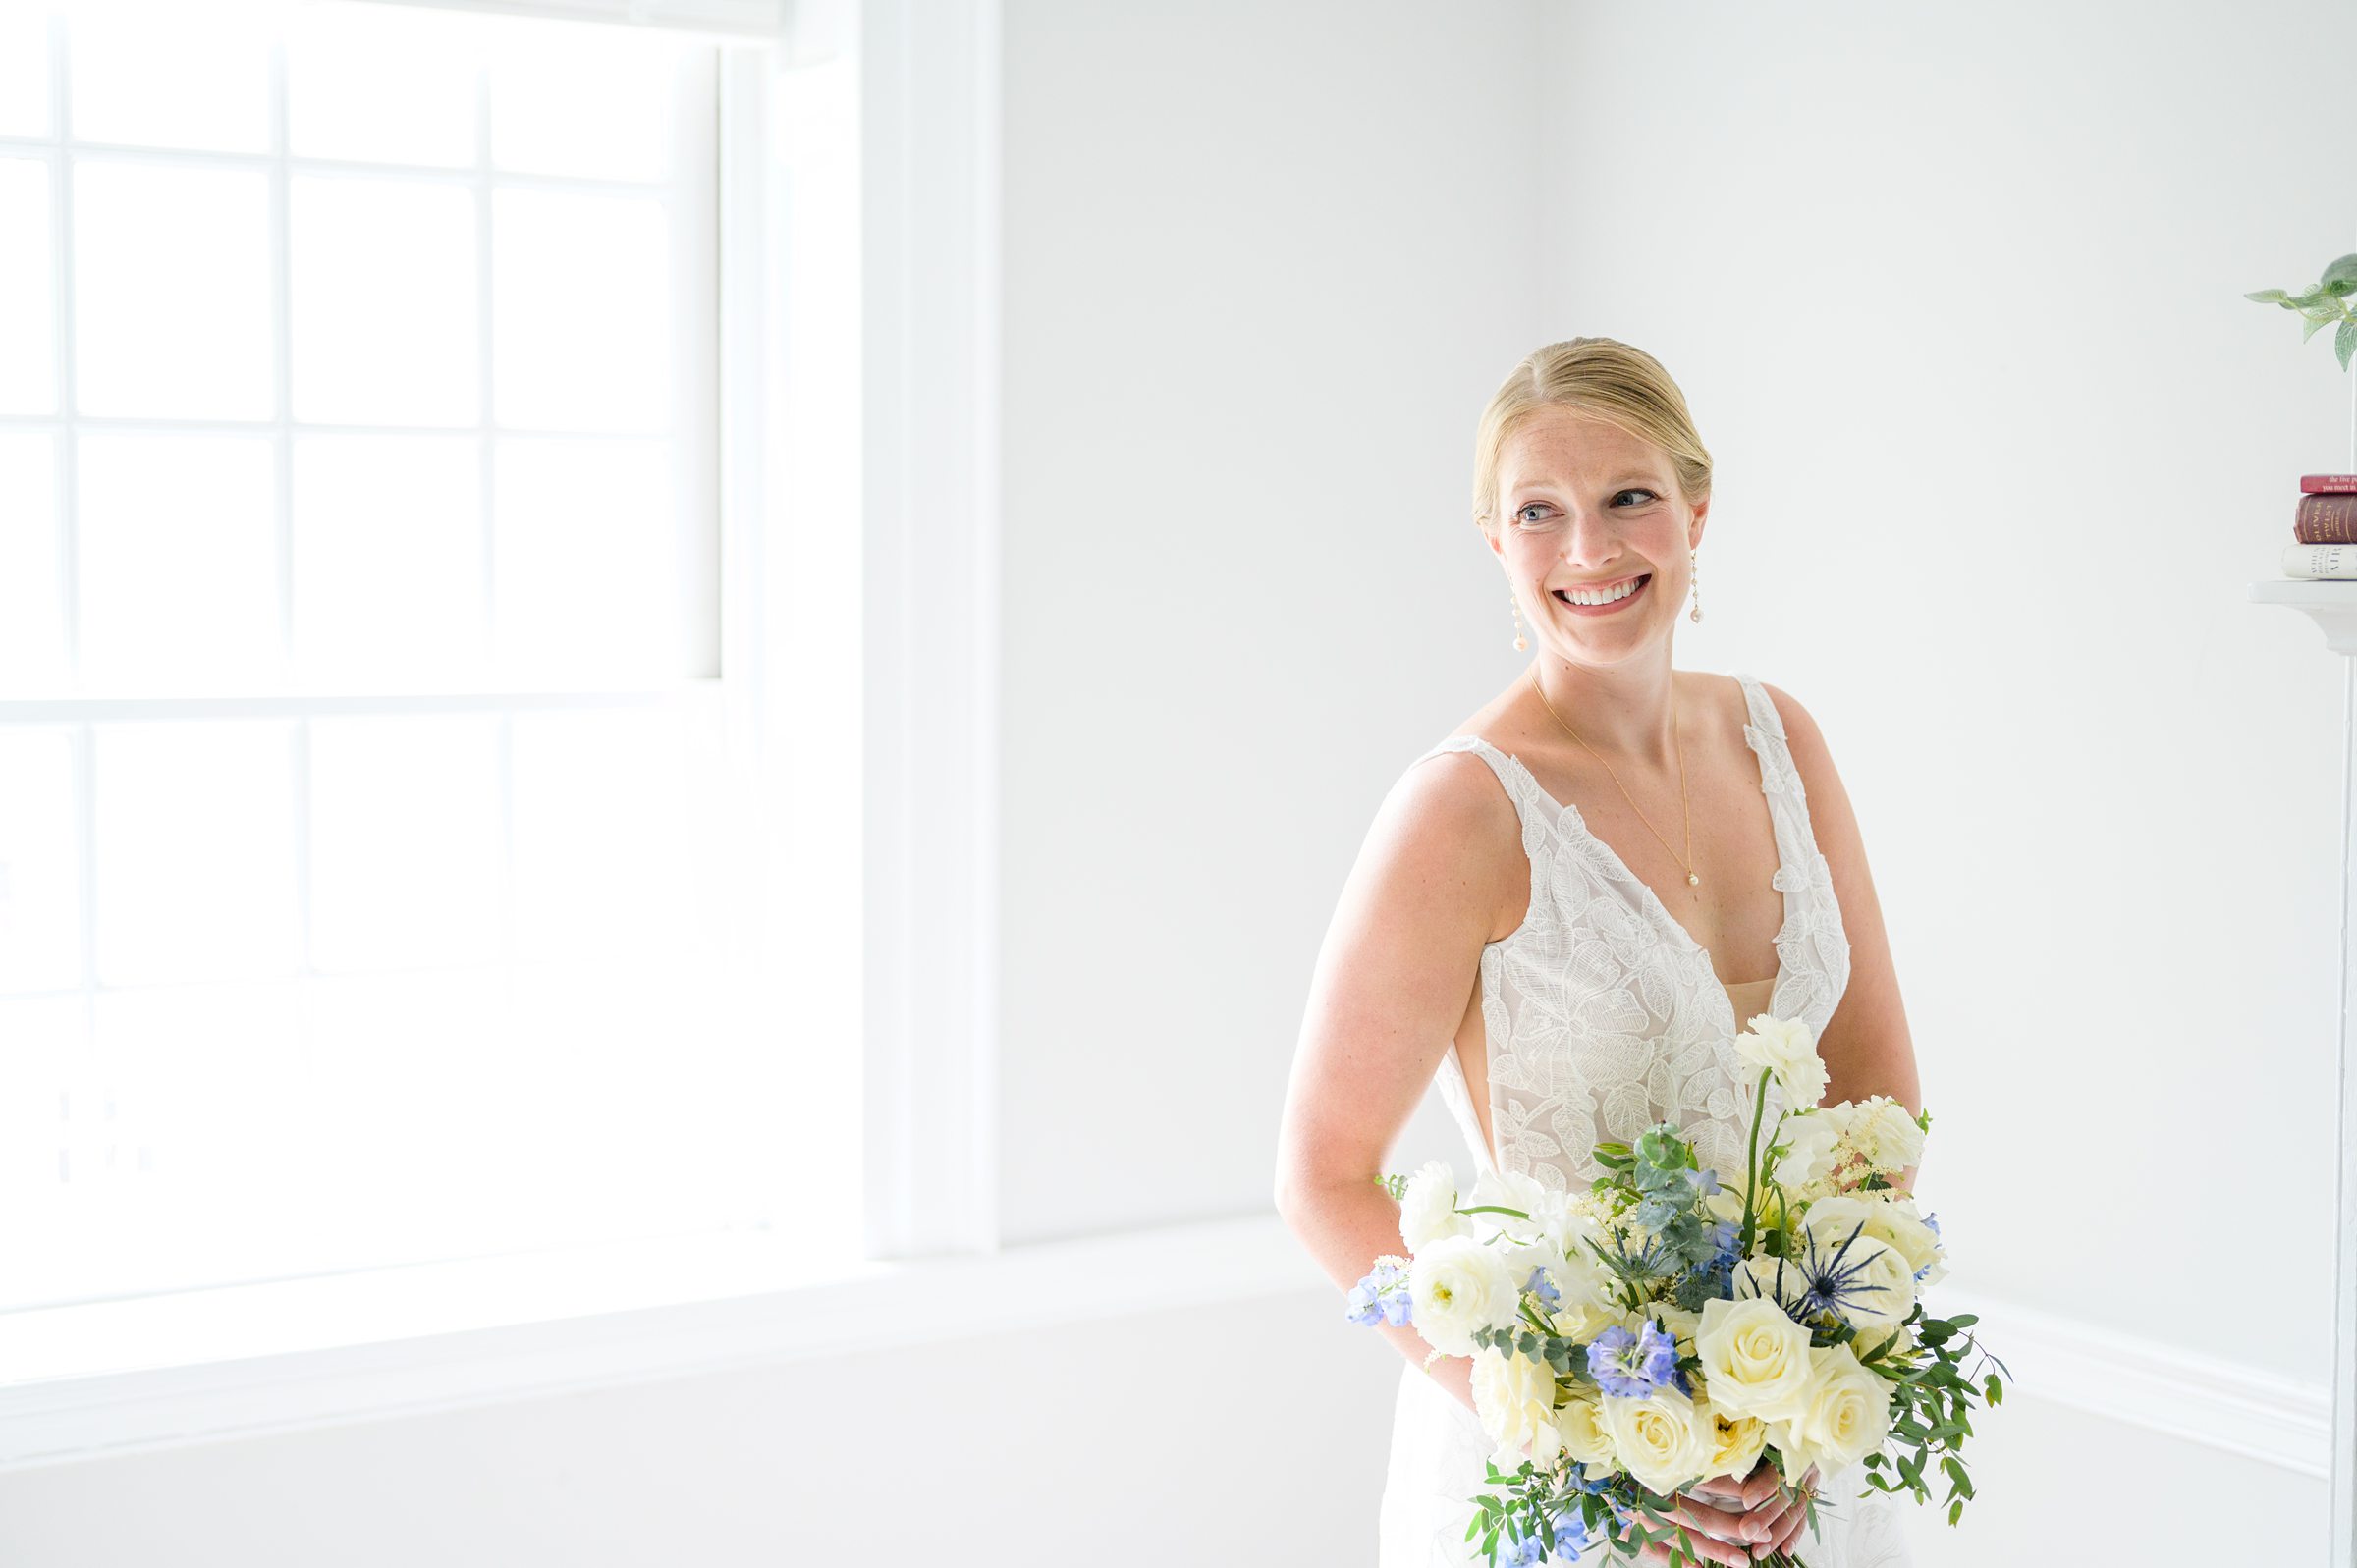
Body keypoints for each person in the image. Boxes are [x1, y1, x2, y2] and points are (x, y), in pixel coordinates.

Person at [1273, 339, 1922, 1566]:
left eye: (1628, 498)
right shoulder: (1460, 811)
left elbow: (1879, 1093)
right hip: (1569, 1495)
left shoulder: (1784, 740)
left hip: (1798, 1471)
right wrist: (1592, 1429)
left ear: (1695, 509)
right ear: (1495, 543)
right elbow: (1323, 1177)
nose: (1589, 550)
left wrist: (1798, 1401)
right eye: (1539, 513)